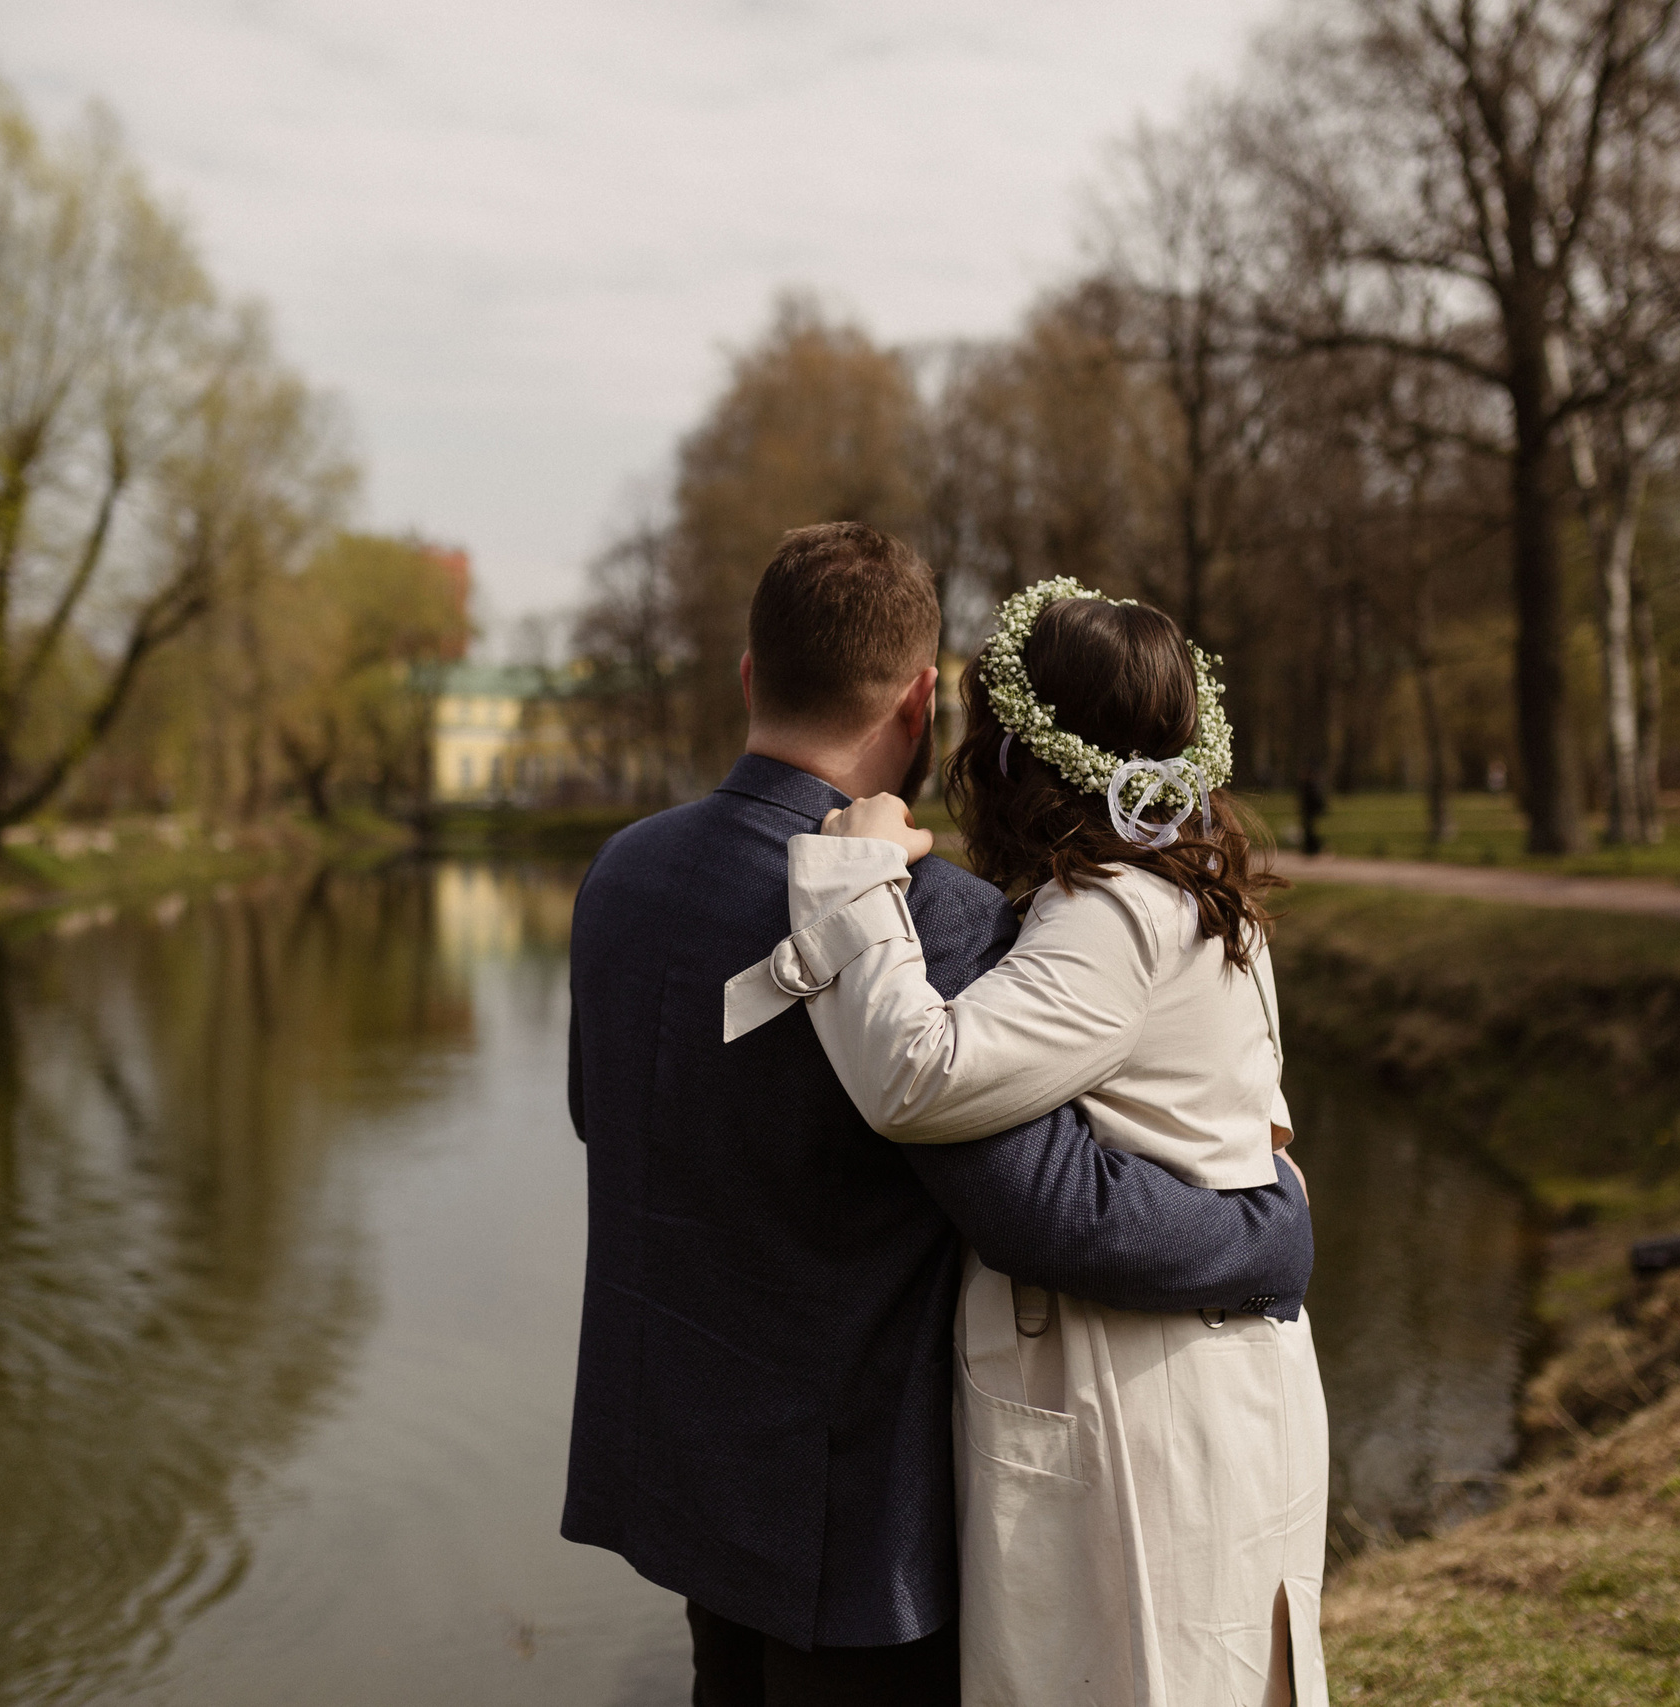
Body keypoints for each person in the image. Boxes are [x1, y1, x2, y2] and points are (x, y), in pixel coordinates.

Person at [562, 525, 1313, 1706]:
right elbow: (1047, 1212)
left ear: (749, 675)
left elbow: (601, 1121)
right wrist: (1266, 1236)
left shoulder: (621, 874)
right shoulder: (939, 922)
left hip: (685, 1462)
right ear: (920, 704)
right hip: (859, 1514)